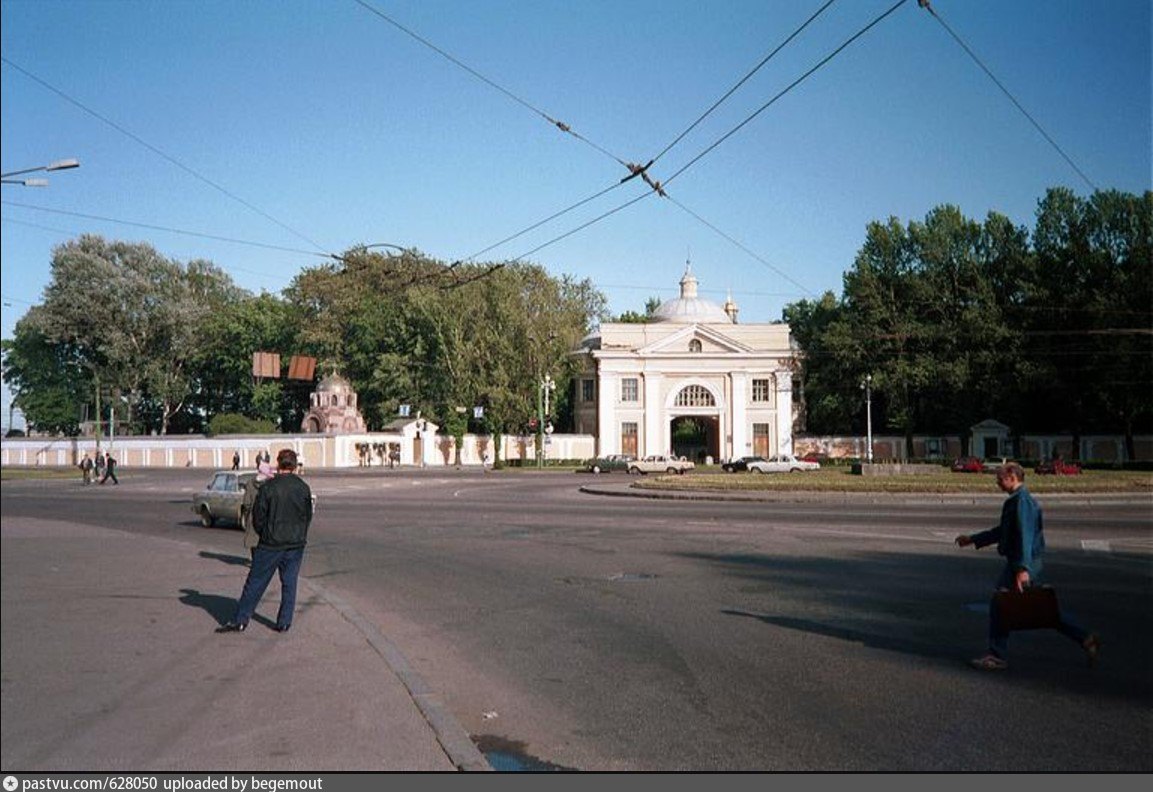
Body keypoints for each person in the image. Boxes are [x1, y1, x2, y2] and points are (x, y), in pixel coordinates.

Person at [955, 461, 1099, 671]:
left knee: (1000, 605)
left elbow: (1025, 536)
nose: (997, 482)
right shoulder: (1018, 501)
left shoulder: (1021, 502)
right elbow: (1003, 530)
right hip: (1025, 562)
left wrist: (1023, 569)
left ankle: (997, 655)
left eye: (1000, 478)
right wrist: (973, 539)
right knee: (1043, 609)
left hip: (1022, 562)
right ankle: (1085, 638)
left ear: (1012, 477)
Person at [217, 449, 313, 634]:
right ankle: (284, 623)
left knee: (255, 582)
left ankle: (241, 620)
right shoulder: (303, 487)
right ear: (294, 466)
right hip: (295, 544)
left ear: (278, 464)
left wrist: (265, 534)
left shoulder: (269, 487)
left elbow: (258, 517)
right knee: (289, 583)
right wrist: (300, 534)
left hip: (271, 544)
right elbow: (307, 516)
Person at [241, 460, 277, 560]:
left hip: (253, 516)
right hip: (266, 516)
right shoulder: (269, 485)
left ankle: (254, 561)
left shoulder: (249, 483)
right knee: (264, 541)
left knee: (253, 541)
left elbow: (246, 503)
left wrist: (248, 513)